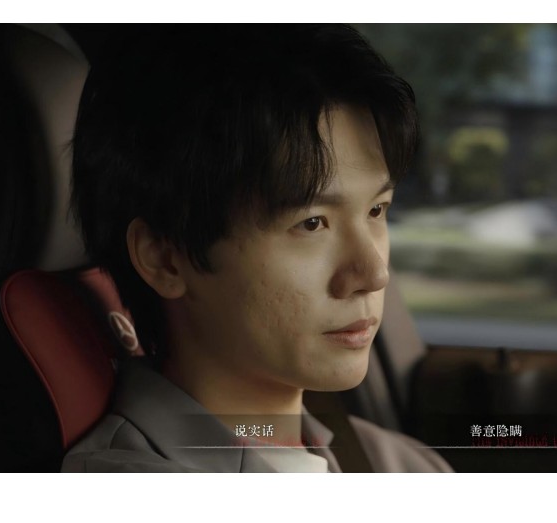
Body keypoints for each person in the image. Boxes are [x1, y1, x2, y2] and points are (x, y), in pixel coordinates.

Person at [61, 24, 453, 472]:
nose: (374, 273)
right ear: (165, 258)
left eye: (377, 210)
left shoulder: (401, 463)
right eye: (312, 223)